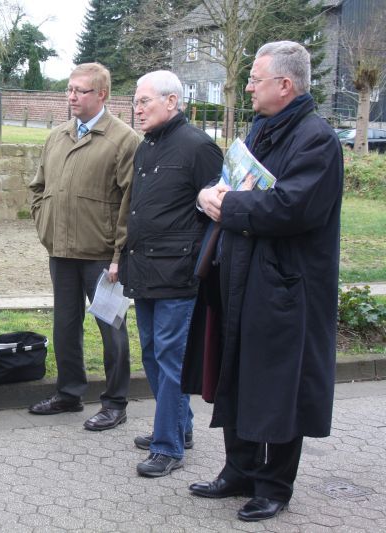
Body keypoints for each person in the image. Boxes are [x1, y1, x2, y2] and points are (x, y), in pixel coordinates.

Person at [186, 41, 343, 521]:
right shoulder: (262, 129)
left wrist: (227, 206)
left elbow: (291, 207)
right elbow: (231, 182)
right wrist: (208, 195)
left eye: (256, 78)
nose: (248, 85)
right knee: (238, 373)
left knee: (279, 385)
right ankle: (239, 469)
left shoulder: (317, 139)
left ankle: (274, 485)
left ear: (285, 85)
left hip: (285, 288)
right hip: (241, 278)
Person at [119, 70, 223, 477]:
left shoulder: (198, 147)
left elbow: (216, 210)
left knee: (170, 358)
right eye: (136, 102)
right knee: (153, 355)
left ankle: (168, 447)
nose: (137, 109)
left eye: (145, 101)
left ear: (172, 102)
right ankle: (180, 426)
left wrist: (199, 264)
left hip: (178, 275)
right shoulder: (146, 147)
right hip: (143, 269)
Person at [28, 63, 139, 430]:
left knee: (113, 328)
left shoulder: (124, 140)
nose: (72, 96)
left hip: (102, 257)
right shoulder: (57, 136)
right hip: (61, 251)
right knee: (65, 326)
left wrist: (119, 256)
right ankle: (69, 393)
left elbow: (130, 203)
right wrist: (45, 223)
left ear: (102, 94)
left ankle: (116, 402)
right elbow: (38, 187)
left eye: (81, 91)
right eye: (69, 90)